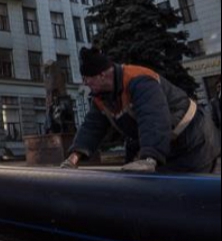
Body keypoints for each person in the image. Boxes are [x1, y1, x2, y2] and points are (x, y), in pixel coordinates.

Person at [61, 47, 220, 173]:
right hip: (170, 144)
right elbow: (91, 127)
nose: (85, 83)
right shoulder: (101, 97)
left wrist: (149, 158)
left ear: (102, 75)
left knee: (186, 198)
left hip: (194, 140)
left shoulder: (139, 81)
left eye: (87, 78)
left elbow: (153, 118)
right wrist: (73, 158)